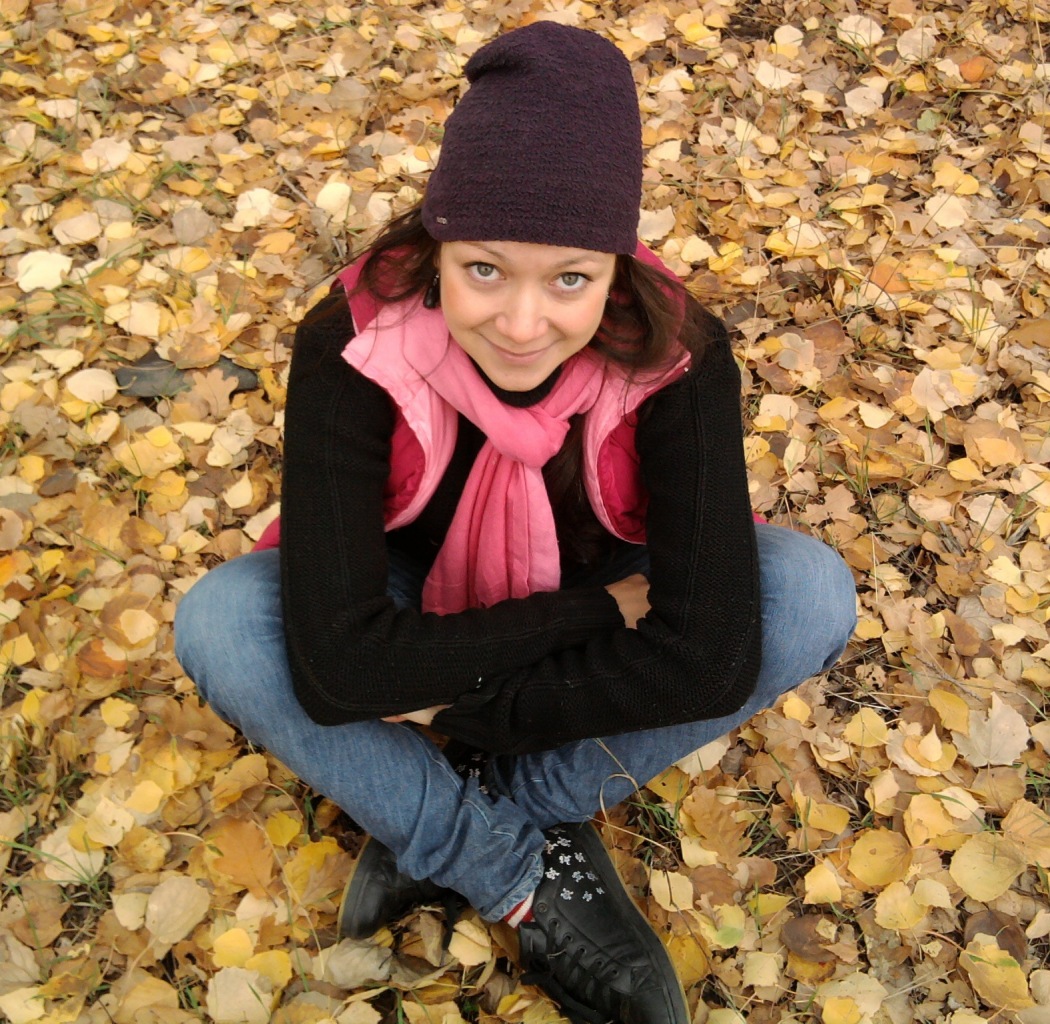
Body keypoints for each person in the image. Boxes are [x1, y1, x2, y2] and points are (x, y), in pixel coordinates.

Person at [174, 21, 857, 1024]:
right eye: (485, 270)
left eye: (569, 278)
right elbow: (343, 665)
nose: (522, 323)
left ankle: (469, 803)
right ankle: (509, 868)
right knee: (224, 623)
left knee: (806, 592)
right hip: (440, 593)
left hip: (561, 591)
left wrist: (450, 712)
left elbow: (709, 661)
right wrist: (596, 614)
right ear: (437, 247)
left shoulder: (680, 356)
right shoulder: (352, 342)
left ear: (615, 269)